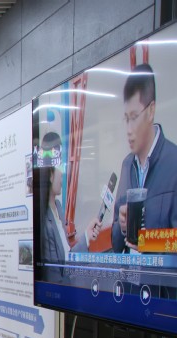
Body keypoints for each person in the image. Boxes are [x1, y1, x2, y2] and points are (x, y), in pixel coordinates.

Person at [112, 63, 177, 252]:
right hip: (128, 272)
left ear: (151, 111)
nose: (128, 129)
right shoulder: (127, 165)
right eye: (126, 118)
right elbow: (116, 244)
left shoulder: (173, 162)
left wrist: (146, 242)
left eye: (134, 117)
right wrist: (121, 228)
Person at [36, 132, 98, 283]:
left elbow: (67, 257)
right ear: (50, 174)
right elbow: (56, 277)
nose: (63, 172)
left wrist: (86, 237)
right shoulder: (43, 221)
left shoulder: (58, 207)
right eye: (60, 166)